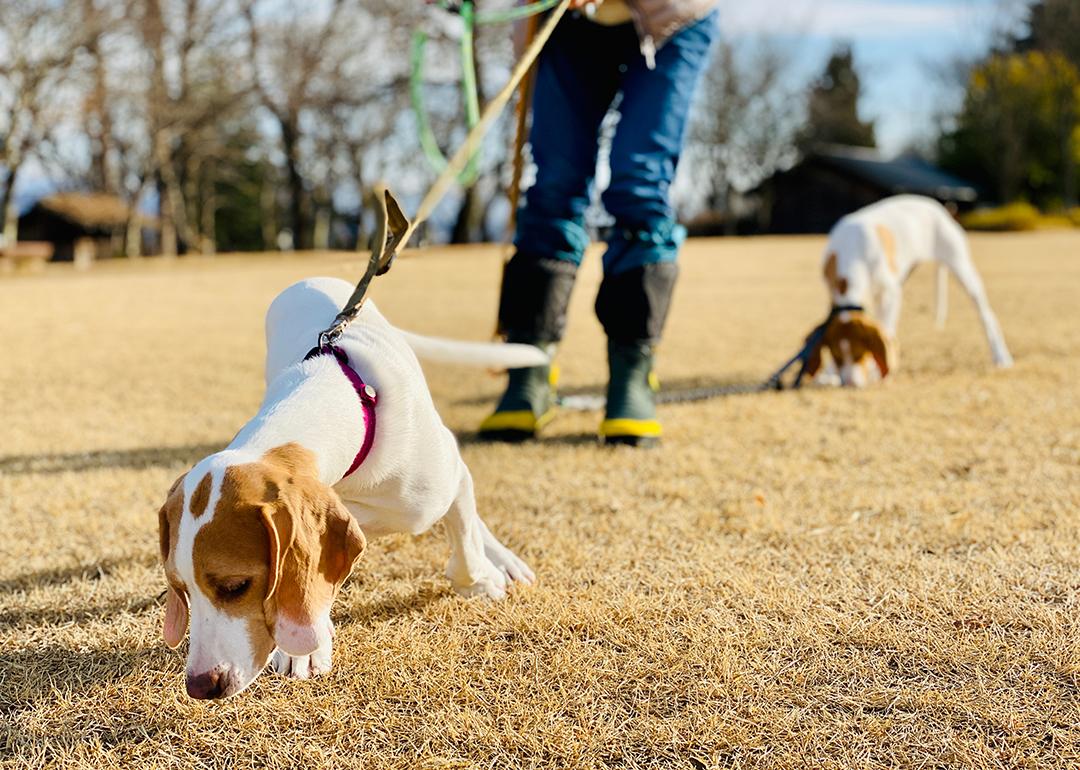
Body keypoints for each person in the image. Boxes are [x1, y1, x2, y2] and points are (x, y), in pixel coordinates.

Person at [479, 0, 719, 447]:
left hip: (674, 17)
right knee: (554, 183)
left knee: (640, 181)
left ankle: (633, 373)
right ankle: (530, 368)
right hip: (567, 24)